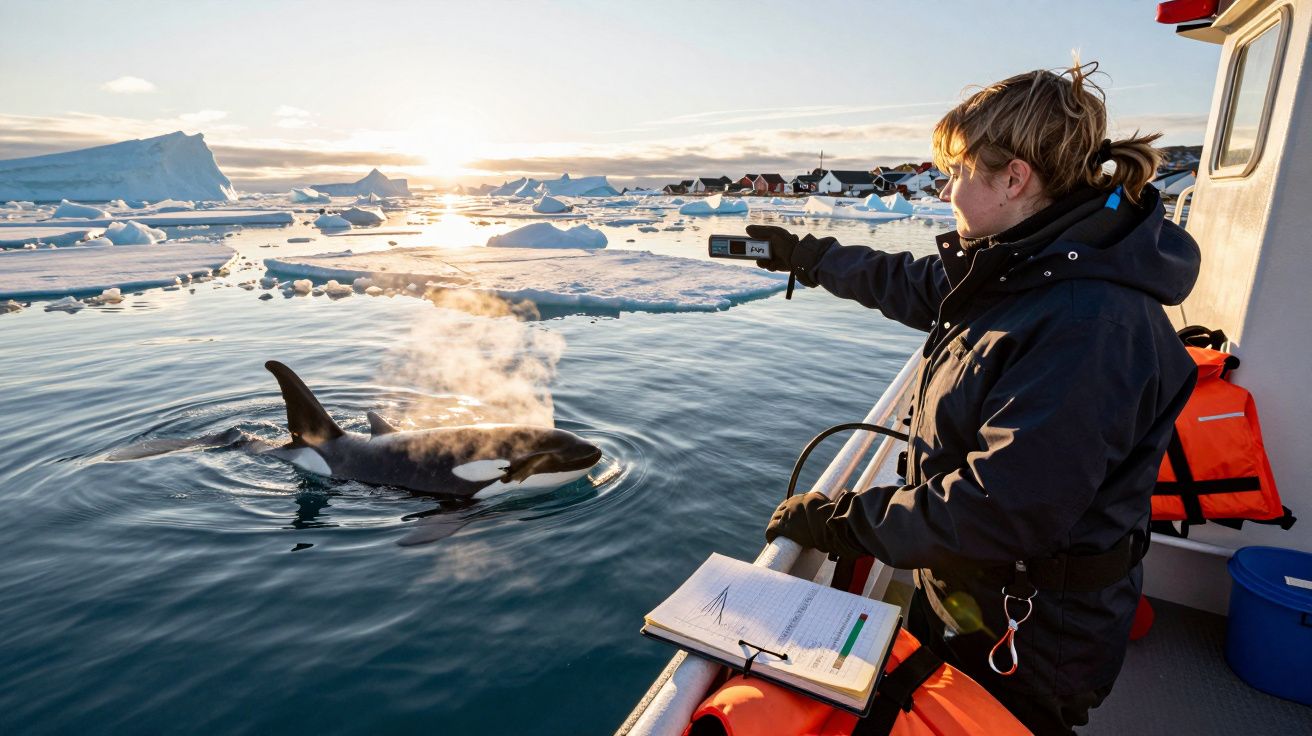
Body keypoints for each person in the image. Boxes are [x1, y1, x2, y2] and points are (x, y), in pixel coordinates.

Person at [755, 62, 1200, 734]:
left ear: (1015, 179)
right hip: (975, 596)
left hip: (1031, 638)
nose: (944, 189)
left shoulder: (1087, 322)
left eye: (958, 170)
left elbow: (1000, 508)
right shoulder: (1028, 264)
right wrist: (806, 258)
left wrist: (843, 521)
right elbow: (911, 282)